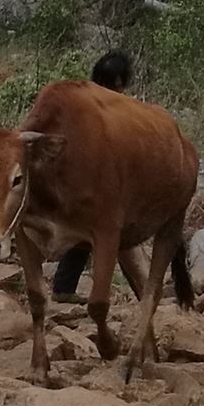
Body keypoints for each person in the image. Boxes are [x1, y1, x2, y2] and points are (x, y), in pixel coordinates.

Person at [49, 51, 137, 298]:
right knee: (104, 236)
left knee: (88, 236)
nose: (118, 90)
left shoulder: (105, 103)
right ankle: (143, 290)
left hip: (103, 182)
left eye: (120, 86)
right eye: (116, 86)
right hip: (92, 183)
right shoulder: (91, 106)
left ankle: (64, 288)